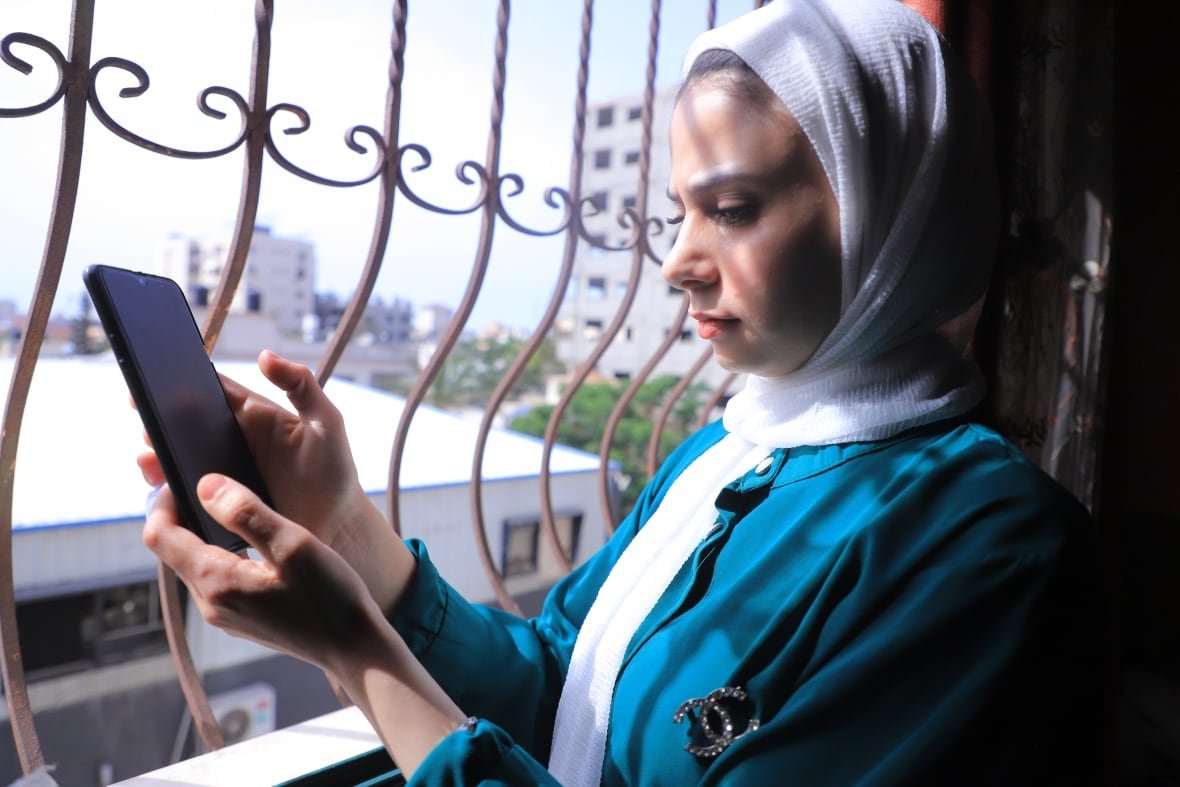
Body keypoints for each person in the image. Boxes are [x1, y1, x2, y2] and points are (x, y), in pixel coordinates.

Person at [139, 0, 1100, 783]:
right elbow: (560, 692)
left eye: (731, 209)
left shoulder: (988, 545)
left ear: (895, 211)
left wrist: (357, 650)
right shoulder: (726, 454)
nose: (678, 262)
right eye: (679, 212)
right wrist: (347, 527)